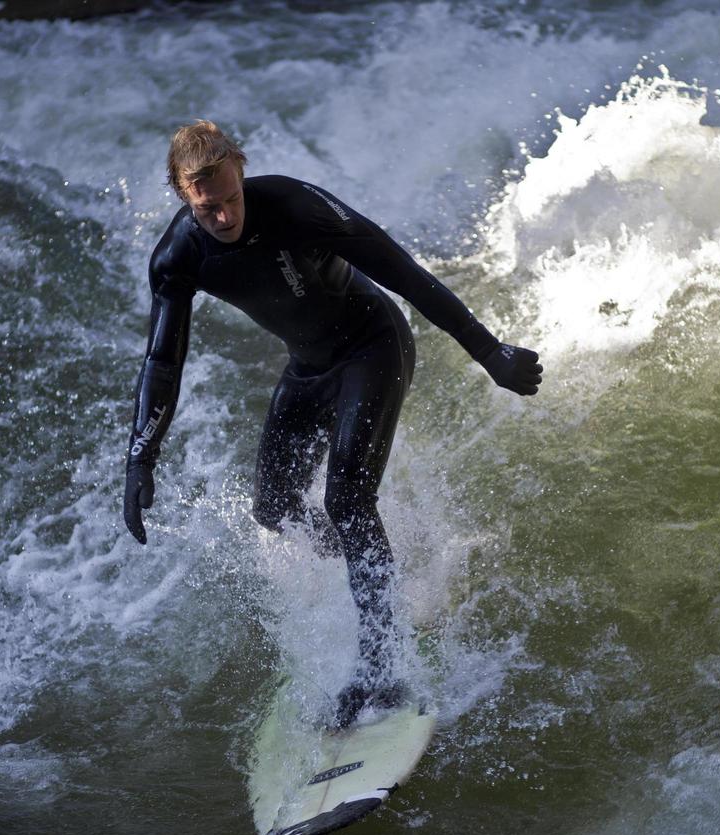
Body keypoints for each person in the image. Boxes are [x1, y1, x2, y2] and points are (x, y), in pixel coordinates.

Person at [124, 120, 542, 727]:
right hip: (310, 366)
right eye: (207, 207)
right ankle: (374, 562)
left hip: (373, 345)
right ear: (183, 195)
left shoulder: (295, 205)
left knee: (346, 496)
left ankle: (382, 665)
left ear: (240, 167)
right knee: (274, 508)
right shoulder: (178, 258)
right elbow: (163, 361)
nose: (223, 217)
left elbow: (403, 273)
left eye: (231, 199)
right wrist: (141, 459)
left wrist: (490, 352)